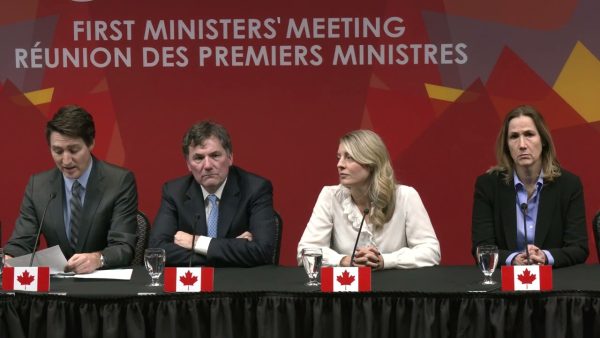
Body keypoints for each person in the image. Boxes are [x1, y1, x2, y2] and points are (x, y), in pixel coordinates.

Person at [4, 105, 138, 273]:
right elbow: (22, 242)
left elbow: (124, 246)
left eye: (74, 150)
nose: (66, 161)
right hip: (56, 290)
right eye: (58, 151)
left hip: (102, 287)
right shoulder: (38, 186)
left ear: (91, 144)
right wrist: (8, 259)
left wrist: (98, 259)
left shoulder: (118, 182)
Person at [297, 130, 441, 270]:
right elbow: (305, 252)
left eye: (349, 157)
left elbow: (431, 251)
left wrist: (384, 260)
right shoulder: (330, 196)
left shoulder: (406, 196)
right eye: (339, 157)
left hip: (396, 290)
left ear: (371, 163)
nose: (339, 164)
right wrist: (343, 260)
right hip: (348, 290)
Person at [471, 105, 588, 268]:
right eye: (514, 137)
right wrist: (514, 258)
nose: (522, 144)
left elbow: (579, 248)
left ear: (544, 141)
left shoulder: (568, 185)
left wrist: (545, 257)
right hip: (505, 285)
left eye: (529, 134)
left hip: (555, 284)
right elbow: (481, 248)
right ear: (506, 145)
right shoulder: (488, 185)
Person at [148, 121, 276, 267]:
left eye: (215, 155)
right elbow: (157, 251)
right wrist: (233, 248)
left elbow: (262, 251)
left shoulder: (256, 189)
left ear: (230, 157)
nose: (207, 165)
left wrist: (196, 242)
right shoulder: (174, 192)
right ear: (188, 164)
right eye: (199, 158)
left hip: (240, 282)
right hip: (193, 284)